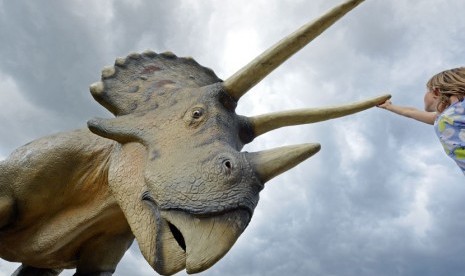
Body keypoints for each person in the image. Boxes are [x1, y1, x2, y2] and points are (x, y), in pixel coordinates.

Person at [377, 67, 465, 174]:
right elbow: (411, 112)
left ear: (436, 92)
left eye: (427, 91)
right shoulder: (442, 118)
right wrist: (389, 107)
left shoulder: (459, 107)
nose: (425, 94)